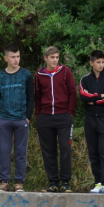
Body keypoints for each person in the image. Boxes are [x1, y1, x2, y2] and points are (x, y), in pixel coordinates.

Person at [0, 44, 34, 192]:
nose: (16, 60)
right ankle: (4, 181)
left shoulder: (26, 75)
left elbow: (31, 98)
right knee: (4, 151)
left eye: (18, 57)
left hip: (21, 119)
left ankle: (19, 182)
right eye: (13, 57)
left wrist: (27, 117)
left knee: (20, 152)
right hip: (4, 120)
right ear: (6, 58)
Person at [34, 46, 77, 192]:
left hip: (63, 116)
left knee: (65, 148)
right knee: (48, 151)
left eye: (57, 57)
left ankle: (65, 183)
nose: (55, 60)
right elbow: (37, 96)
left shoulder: (65, 72)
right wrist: (38, 116)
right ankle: (53, 182)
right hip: (45, 117)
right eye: (52, 57)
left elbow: (72, 92)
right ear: (46, 58)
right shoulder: (39, 74)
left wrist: (69, 113)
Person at [79, 50, 104, 194]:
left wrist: (93, 100)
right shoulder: (85, 79)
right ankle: (98, 182)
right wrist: (99, 96)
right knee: (93, 151)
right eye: (98, 62)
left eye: (103, 62)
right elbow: (83, 96)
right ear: (91, 63)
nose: (101, 65)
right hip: (90, 119)